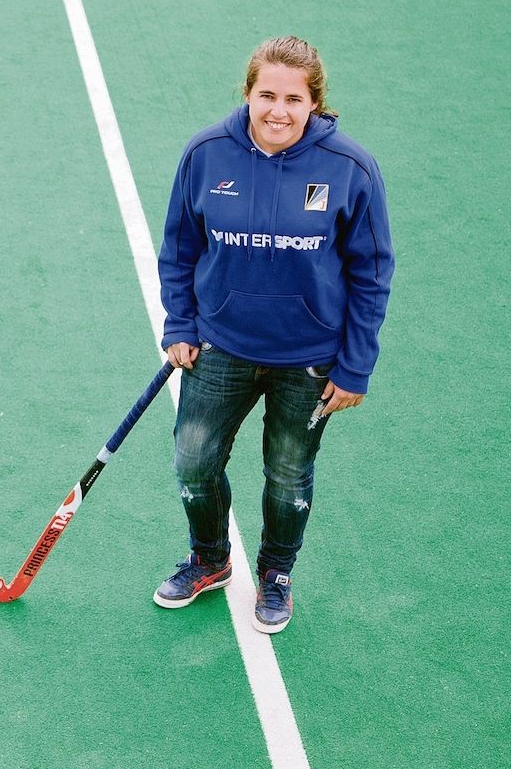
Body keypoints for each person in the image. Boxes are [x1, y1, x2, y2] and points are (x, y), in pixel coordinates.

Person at [151, 36, 394, 634]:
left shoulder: (350, 169)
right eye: (267, 95)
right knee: (192, 460)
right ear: (248, 93)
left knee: (288, 475)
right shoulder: (206, 153)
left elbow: (371, 272)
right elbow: (180, 247)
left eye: (294, 98)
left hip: (308, 360)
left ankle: (277, 574)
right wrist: (180, 322)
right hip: (221, 346)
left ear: (315, 103)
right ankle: (210, 559)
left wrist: (355, 366)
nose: (278, 111)